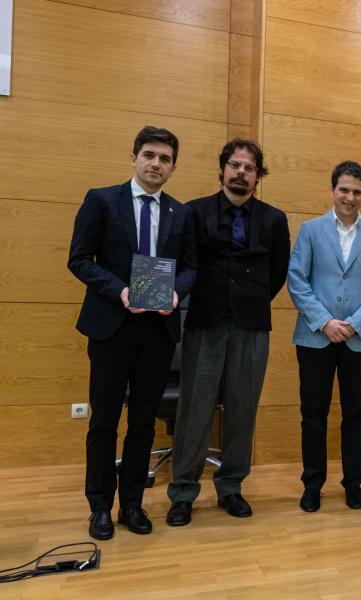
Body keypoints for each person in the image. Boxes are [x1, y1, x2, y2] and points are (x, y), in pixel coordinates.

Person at [67, 126, 196, 540]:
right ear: (134, 157)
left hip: (158, 332)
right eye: (149, 155)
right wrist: (120, 291)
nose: (156, 163)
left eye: (164, 158)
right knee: (103, 422)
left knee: (143, 423)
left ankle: (133, 504)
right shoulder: (102, 200)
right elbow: (80, 260)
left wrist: (175, 294)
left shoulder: (181, 213)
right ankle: (100, 506)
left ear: (173, 166)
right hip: (111, 328)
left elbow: (192, 267)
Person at [165, 139, 291, 526]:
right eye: (234, 165)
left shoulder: (274, 219)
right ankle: (183, 491)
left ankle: (231, 486)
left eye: (249, 167)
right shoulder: (192, 212)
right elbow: (183, 264)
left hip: (252, 326)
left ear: (258, 175)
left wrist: (245, 298)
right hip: (204, 322)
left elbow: (277, 275)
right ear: (222, 169)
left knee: (242, 410)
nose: (241, 172)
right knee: (194, 410)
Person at [288, 160, 361, 512]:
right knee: (313, 413)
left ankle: (353, 483)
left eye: (357, 192)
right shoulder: (311, 230)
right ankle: (312, 484)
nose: (350, 197)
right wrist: (326, 321)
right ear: (333, 190)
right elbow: (297, 281)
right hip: (315, 337)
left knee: (355, 414)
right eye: (344, 190)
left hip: (358, 340)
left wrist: (352, 324)